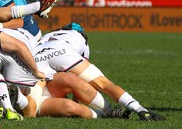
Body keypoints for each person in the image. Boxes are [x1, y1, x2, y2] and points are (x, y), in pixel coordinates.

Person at [33, 23, 165, 121]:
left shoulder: (49, 35)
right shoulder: (80, 37)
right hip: (62, 50)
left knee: (44, 92)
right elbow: (83, 81)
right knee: (103, 83)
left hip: (36, 56)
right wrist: (76, 101)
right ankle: (139, 109)